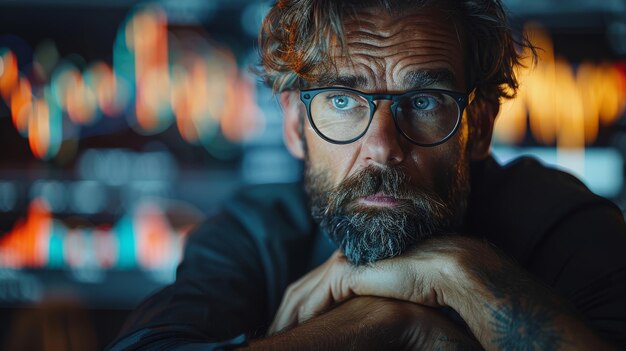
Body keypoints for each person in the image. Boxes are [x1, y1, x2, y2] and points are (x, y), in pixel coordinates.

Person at [108, 0, 626, 349]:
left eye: (424, 101)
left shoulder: (561, 223)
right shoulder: (251, 236)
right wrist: (386, 322)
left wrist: (458, 274)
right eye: (341, 100)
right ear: (293, 123)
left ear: (481, 123)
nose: (382, 148)